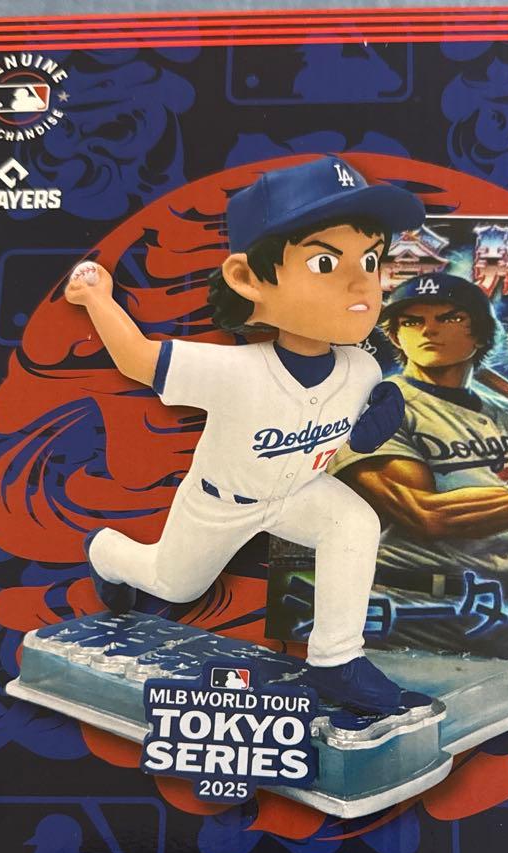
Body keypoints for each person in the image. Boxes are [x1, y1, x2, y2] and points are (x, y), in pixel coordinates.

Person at [64, 155, 429, 719]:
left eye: (370, 259)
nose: (361, 282)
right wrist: (96, 298)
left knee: (353, 522)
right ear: (247, 278)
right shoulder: (234, 371)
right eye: (325, 262)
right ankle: (106, 552)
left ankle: (336, 662)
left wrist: (382, 413)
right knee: (175, 585)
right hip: (221, 503)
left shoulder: (362, 368)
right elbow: (137, 360)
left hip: (299, 493)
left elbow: (358, 424)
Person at [331, 272, 508, 657]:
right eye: (412, 321)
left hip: (505, 606)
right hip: (411, 605)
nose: (428, 330)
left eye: (450, 318)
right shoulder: (380, 408)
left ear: (481, 335)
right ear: (397, 337)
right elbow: (429, 516)